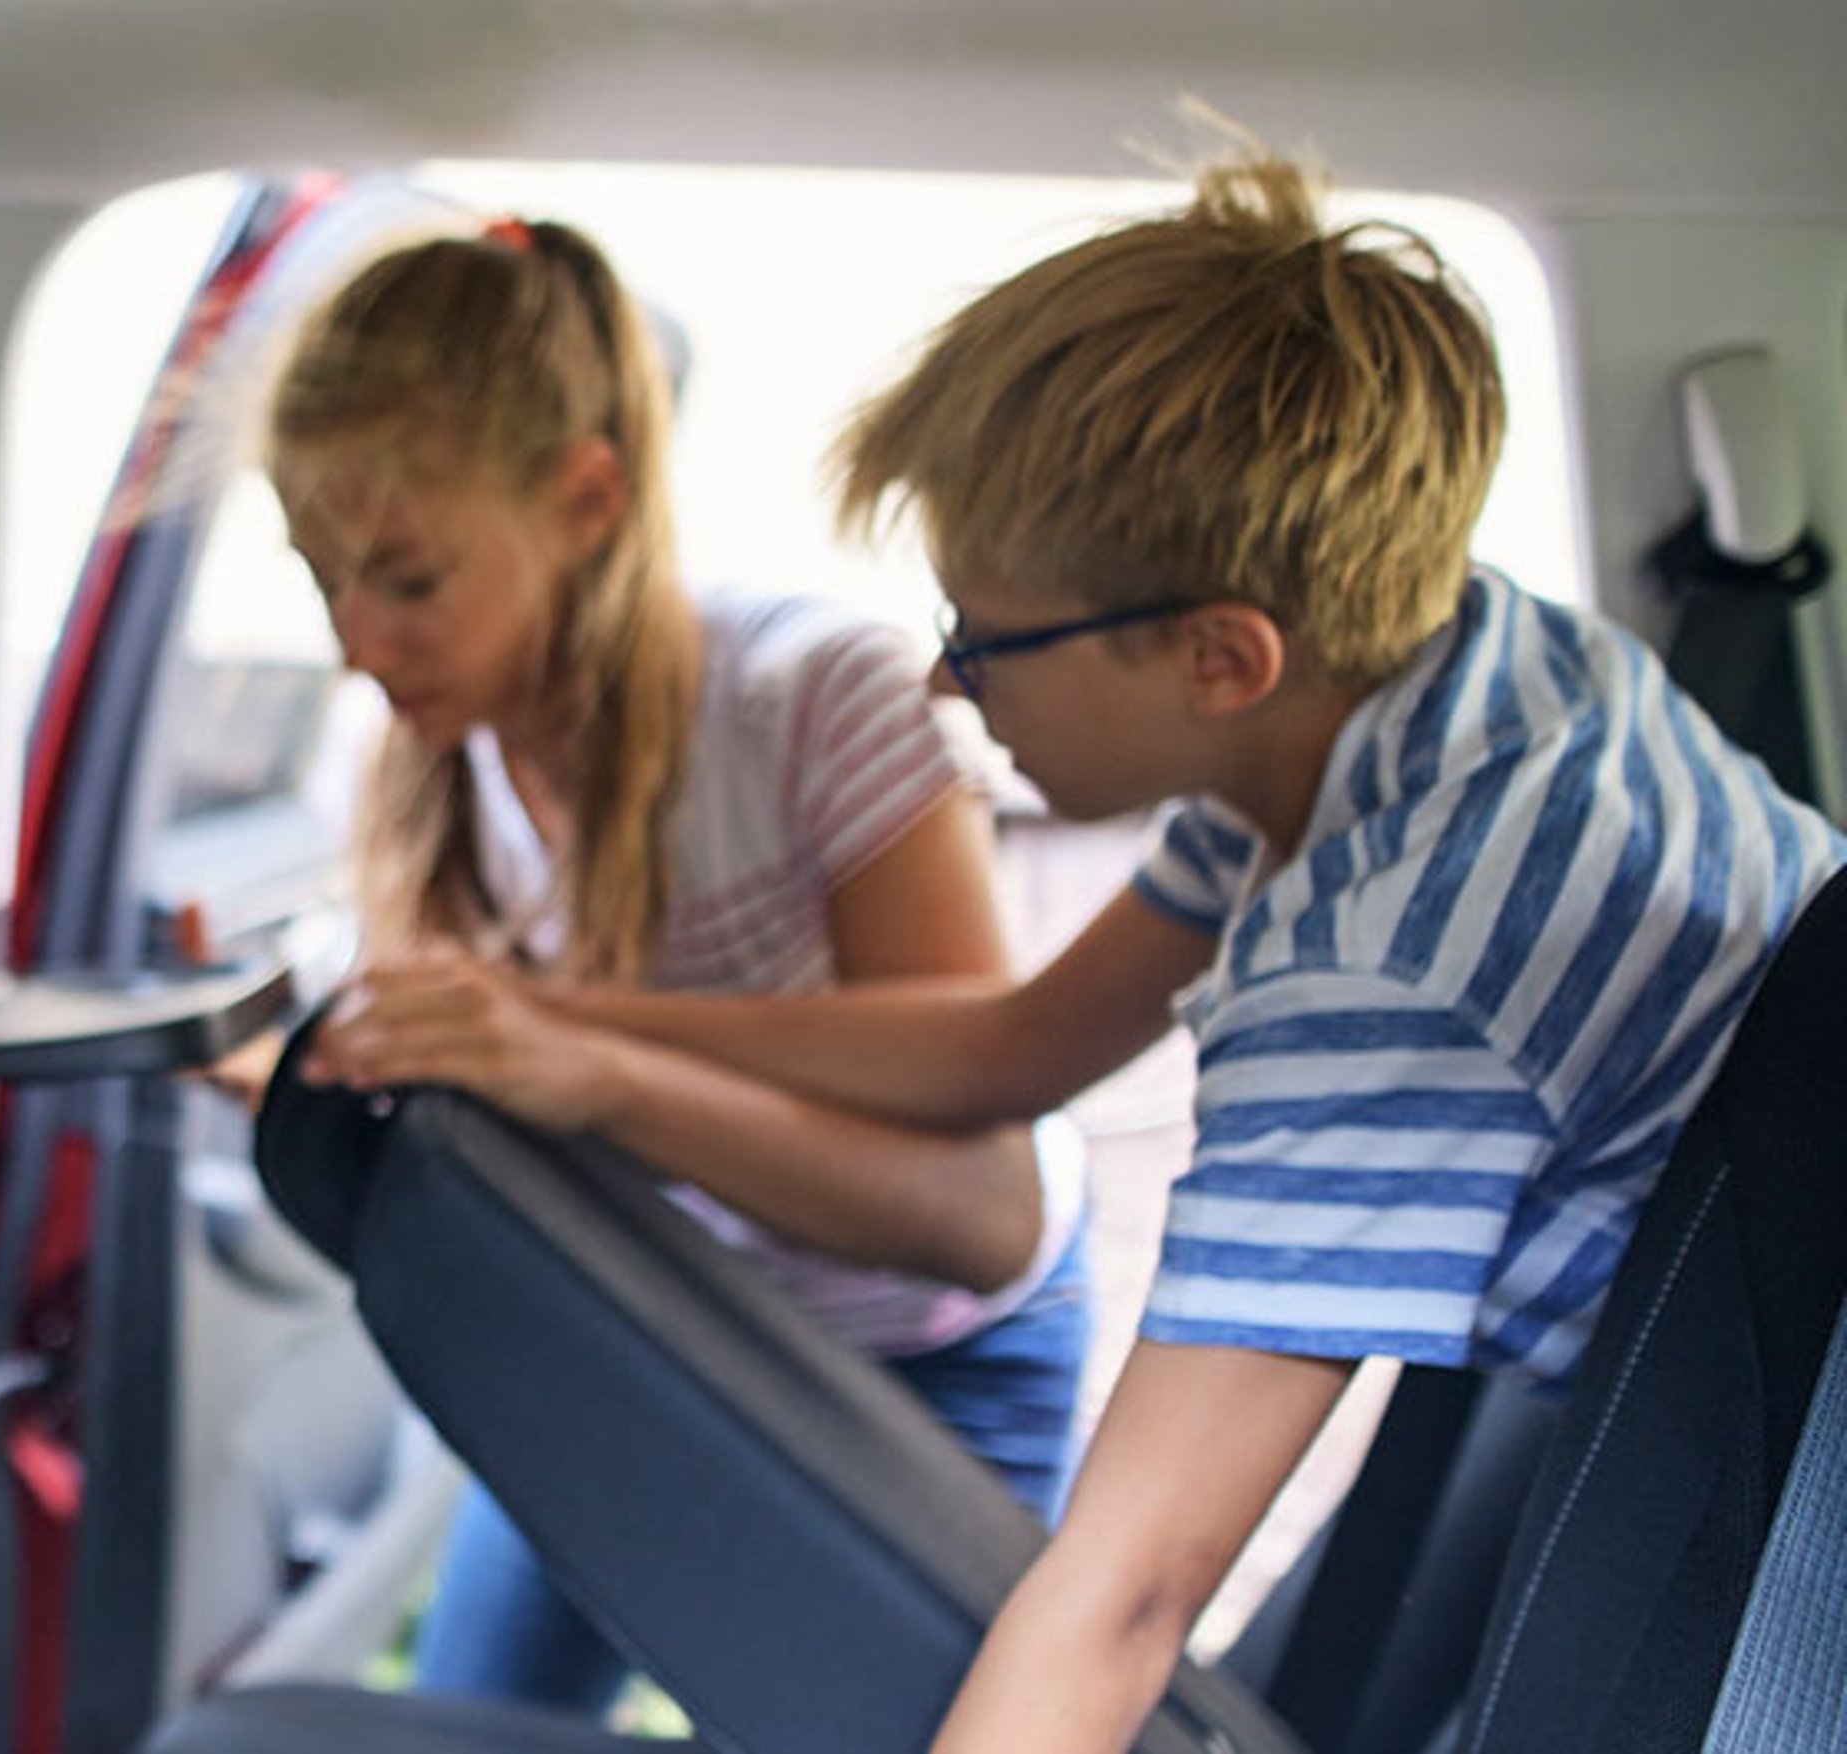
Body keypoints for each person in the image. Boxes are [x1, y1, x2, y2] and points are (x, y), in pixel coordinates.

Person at [535, 143, 1844, 1752]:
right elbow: (1013, 1047)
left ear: (1222, 655)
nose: (946, 688)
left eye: (983, 639)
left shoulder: (1377, 970)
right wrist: (578, 1033)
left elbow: (1131, 1591)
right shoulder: (1436, 677)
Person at [257, 218, 1090, 1720]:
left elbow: (982, 1213)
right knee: (472, 1712)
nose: (359, 645)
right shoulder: (425, 771)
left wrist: (598, 1071)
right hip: (667, 1325)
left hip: (929, 1372)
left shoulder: (813, 701)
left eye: (408, 578)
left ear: (588, 498)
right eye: (323, 582)